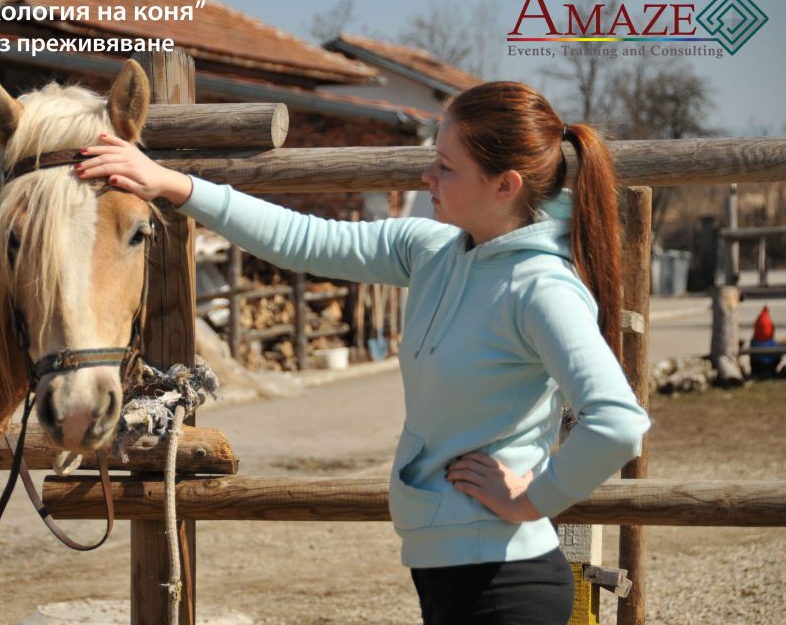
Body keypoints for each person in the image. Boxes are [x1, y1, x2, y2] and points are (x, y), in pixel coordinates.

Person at [76, 81, 651, 625]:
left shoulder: (541, 288)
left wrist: (534, 500)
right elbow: (301, 239)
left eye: (446, 167)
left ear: (506, 186)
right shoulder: (434, 251)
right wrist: (172, 184)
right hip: (454, 572)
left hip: (506, 582)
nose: (427, 174)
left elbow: (618, 423)